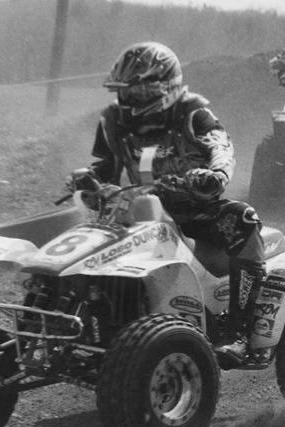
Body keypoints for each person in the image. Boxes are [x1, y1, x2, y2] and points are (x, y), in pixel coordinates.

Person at [68, 41, 265, 365]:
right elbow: (105, 168)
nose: (130, 100)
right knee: (92, 243)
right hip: (141, 209)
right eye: (125, 92)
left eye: (139, 92)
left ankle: (239, 333)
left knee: (243, 218)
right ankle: (92, 325)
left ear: (165, 88)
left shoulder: (193, 112)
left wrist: (214, 174)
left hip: (195, 208)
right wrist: (89, 180)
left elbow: (221, 145)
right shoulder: (113, 121)